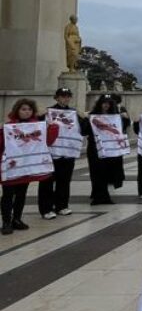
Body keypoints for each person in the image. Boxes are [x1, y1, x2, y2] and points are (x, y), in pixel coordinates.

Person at [1, 99, 59, 234]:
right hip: (11, 167)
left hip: (27, 167)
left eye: (29, 110)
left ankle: (17, 219)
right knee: (8, 195)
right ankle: (6, 221)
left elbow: (48, 142)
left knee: (21, 194)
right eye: (23, 109)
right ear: (17, 110)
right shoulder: (9, 126)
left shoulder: (37, 126)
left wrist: (53, 128)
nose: (26, 112)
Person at [38, 87, 86, 219]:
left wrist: (85, 118)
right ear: (57, 97)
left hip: (68, 152)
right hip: (51, 153)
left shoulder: (75, 113)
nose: (65, 98)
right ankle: (46, 208)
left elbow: (85, 130)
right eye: (62, 96)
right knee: (47, 182)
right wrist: (39, 115)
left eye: (67, 96)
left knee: (64, 181)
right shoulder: (48, 112)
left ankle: (62, 206)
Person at [84, 94, 129, 205]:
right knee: (96, 172)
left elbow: (122, 129)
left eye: (108, 103)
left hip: (110, 149)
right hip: (95, 148)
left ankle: (103, 196)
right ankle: (98, 195)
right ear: (100, 103)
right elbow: (84, 131)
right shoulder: (92, 116)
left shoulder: (115, 116)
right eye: (104, 103)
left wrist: (126, 118)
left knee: (106, 172)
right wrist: (86, 119)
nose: (106, 105)